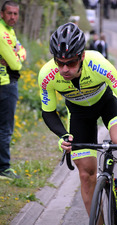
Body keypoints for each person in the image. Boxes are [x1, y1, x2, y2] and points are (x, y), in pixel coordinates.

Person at [38, 23, 117, 221]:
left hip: (107, 105)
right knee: (85, 176)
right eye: (59, 62)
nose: (64, 69)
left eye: (71, 63)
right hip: (79, 114)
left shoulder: (99, 63)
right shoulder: (47, 75)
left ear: (81, 56)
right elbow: (48, 112)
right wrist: (62, 135)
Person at [0, 1, 26, 180]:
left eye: (15, 14)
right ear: (2, 14)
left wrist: (16, 54)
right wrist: (16, 56)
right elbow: (16, 63)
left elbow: (22, 52)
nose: (13, 17)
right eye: (9, 13)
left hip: (8, 83)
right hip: (6, 84)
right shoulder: (2, 33)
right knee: (5, 129)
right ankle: (4, 168)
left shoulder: (10, 31)